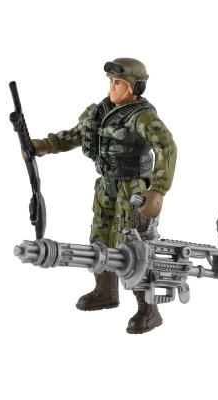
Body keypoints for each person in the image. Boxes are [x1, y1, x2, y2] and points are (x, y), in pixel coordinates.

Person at [31, 58, 177, 334]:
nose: (112, 87)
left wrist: (158, 190)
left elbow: (166, 148)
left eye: (118, 82)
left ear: (135, 87)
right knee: (101, 235)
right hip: (107, 185)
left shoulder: (143, 117)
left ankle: (148, 309)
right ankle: (105, 291)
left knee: (134, 245)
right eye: (110, 81)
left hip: (134, 187)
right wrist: (46, 145)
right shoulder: (100, 110)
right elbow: (76, 134)